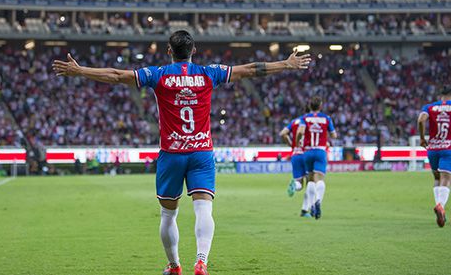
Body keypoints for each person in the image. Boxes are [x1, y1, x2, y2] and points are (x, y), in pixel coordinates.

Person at [53, 30, 310, 275]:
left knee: (168, 214)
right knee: (203, 210)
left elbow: (116, 75)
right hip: (201, 152)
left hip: (172, 153)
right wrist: (286, 64)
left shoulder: (158, 74)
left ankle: (174, 265)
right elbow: (252, 69)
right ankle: (201, 261)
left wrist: (80, 71)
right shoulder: (209, 73)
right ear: (193, 50)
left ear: (169, 51)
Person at [295, 96, 337, 220]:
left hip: (308, 152)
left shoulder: (305, 118)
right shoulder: (326, 118)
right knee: (320, 178)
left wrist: (298, 142)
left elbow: (300, 132)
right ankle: (318, 201)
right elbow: (334, 135)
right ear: (320, 106)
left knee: (311, 179)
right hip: (320, 151)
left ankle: (312, 204)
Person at [417, 85, 451, 228]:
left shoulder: (430, 107)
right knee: (446, 178)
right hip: (448, 148)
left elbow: (420, 120)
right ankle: (440, 205)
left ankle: (439, 206)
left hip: (433, 148)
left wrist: (422, 138)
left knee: (436, 177)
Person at [279, 104, 311, 217]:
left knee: (299, 184)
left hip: (295, 155)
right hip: (307, 154)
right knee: (310, 183)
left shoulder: (294, 122)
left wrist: (291, 145)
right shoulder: (311, 121)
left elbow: (283, 133)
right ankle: (305, 210)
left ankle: (295, 185)